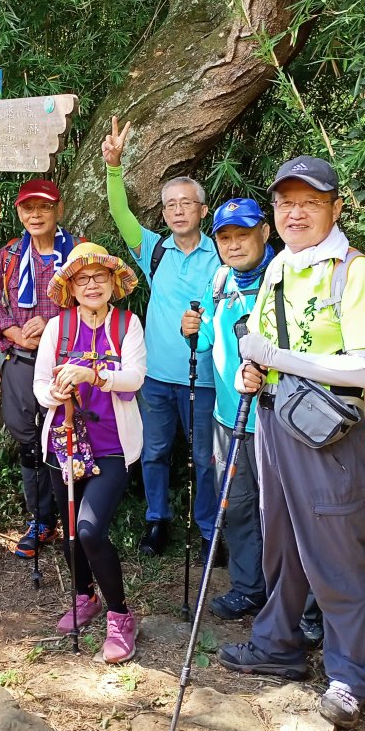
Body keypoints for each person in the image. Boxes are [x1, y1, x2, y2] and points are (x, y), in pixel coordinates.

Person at [217, 156, 365, 729]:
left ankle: (350, 676)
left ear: (335, 209)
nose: (295, 212)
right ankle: (278, 644)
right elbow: (265, 346)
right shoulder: (280, 269)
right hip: (273, 420)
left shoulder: (355, 272)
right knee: (281, 543)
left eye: (309, 201)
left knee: (335, 552)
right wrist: (255, 371)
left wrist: (276, 360)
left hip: (326, 434)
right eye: (285, 202)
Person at [103, 117, 220, 557]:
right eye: (169, 204)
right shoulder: (155, 250)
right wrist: (114, 166)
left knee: (206, 459)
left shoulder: (221, 254)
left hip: (206, 379)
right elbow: (119, 213)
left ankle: (209, 528)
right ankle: (157, 522)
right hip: (156, 379)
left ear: (201, 211)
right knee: (153, 454)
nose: (176, 210)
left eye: (185, 203)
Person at [33, 243, 146, 663]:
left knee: (90, 530)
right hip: (63, 444)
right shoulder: (57, 328)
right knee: (69, 533)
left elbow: (134, 378)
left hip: (112, 447)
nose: (93, 284)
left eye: (100, 277)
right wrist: (54, 392)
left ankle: (120, 616)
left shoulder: (127, 324)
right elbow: (40, 384)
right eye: (83, 279)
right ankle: (84, 596)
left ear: (113, 283)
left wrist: (93, 374)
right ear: (72, 288)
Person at [181, 198, 273, 619]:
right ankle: (247, 587)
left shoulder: (285, 276)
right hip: (227, 419)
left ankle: (298, 604)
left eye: (243, 234)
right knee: (235, 506)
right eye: (225, 237)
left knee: (282, 515)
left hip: (278, 423)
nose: (234, 245)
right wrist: (191, 330)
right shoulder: (219, 282)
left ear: (265, 232)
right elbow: (204, 344)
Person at [0, 179, 81, 558]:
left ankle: (75, 523)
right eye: (28, 208)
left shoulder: (78, 253)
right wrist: (14, 332)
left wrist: (51, 326)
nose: (35, 214)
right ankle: (41, 521)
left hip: (67, 364)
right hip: (21, 361)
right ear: (19, 212)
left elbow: (92, 303)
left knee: (67, 440)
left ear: (57, 210)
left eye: (44, 207)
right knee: (29, 442)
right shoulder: (9, 255)